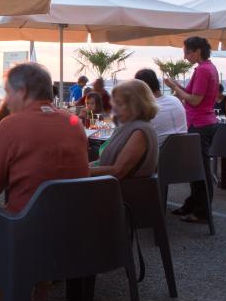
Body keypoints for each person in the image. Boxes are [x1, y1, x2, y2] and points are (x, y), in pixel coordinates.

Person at [0, 63, 89, 301]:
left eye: (7, 92)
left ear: (22, 91)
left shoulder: (12, 125)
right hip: (75, 229)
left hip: (26, 232)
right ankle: (41, 297)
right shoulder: (75, 123)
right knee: (45, 209)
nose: (5, 99)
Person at [164, 36, 219, 224]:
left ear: (198, 51)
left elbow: (194, 100)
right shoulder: (205, 68)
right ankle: (193, 204)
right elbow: (189, 94)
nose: (185, 56)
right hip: (202, 122)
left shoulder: (204, 71)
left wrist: (174, 88)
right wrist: (175, 85)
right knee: (195, 168)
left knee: (200, 170)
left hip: (200, 124)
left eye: (187, 52)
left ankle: (203, 212)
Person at [90, 79, 159, 179]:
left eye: (119, 104)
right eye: (114, 103)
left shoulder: (140, 131)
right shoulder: (127, 126)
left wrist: (81, 171)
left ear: (136, 105)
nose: (114, 108)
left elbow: (118, 171)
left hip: (122, 192)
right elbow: (102, 163)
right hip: (109, 187)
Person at [135, 69, 187, 146]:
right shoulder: (175, 100)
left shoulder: (147, 109)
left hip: (159, 154)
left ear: (143, 86)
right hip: (186, 151)